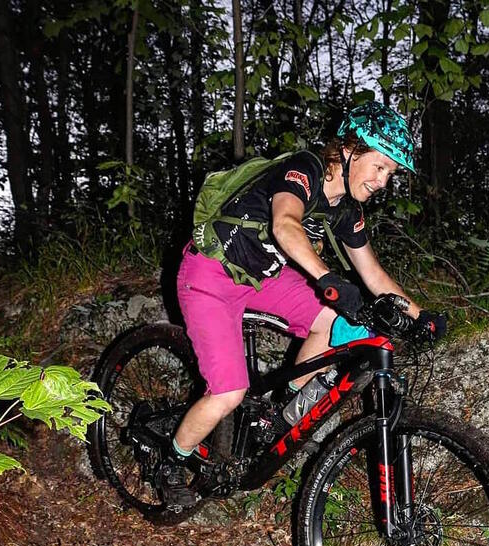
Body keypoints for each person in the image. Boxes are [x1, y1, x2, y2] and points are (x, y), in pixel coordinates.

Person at [162, 101, 446, 506]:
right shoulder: (304, 168)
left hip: (262, 279)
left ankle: (279, 412)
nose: (383, 181)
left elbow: (374, 275)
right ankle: (172, 460)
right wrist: (327, 278)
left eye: (391, 174)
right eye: (380, 167)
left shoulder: (348, 208)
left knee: (335, 321)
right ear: (351, 150)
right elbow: (285, 224)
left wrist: (421, 317)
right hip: (211, 273)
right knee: (228, 392)